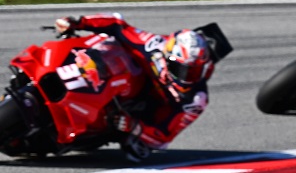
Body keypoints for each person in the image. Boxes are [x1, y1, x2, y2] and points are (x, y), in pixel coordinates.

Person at [52, 14, 229, 162]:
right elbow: (117, 25)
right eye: (180, 69)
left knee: (137, 150)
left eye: (193, 71)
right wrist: (79, 22)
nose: (186, 77)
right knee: (103, 45)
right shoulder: (153, 45)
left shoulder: (195, 99)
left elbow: (163, 137)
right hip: (124, 77)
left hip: (142, 112)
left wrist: (135, 126)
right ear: (166, 57)